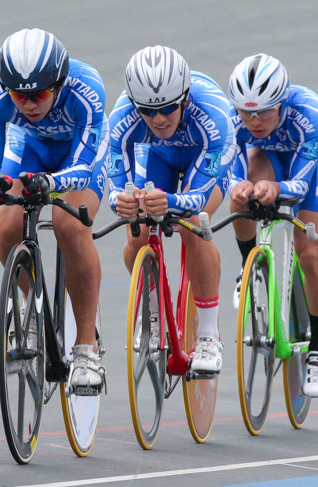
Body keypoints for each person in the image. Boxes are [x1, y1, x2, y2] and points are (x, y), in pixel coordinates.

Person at [0, 28, 109, 391]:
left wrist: (52, 185)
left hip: (75, 159)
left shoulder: (87, 90)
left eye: (39, 94)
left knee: (69, 225)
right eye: (19, 95)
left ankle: (86, 348)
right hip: (29, 152)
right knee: (5, 224)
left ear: (60, 83)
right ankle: (31, 303)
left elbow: (84, 165)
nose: (29, 104)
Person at [108, 46, 235, 373]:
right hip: (157, 156)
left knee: (193, 222)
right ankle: (150, 311)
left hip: (202, 157)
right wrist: (121, 200)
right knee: (137, 228)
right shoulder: (121, 119)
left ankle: (208, 334)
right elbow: (115, 182)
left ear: (184, 97)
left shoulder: (213, 116)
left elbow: (197, 195)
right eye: (148, 112)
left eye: (168, 108)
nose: (159, 119)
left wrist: (172, 202)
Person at [227, 53, 318, 397]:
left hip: (312, 164)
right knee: (241, 199)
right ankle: (249, 269)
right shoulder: (234, 121)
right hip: (267, 155)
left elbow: (301, 186)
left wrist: (276, 189)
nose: (254, 121)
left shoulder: (308, 114)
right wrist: (240, 186)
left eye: (265, 111)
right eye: (246, 112)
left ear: (283, 101)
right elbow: (229, 168)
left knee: (310, 253)